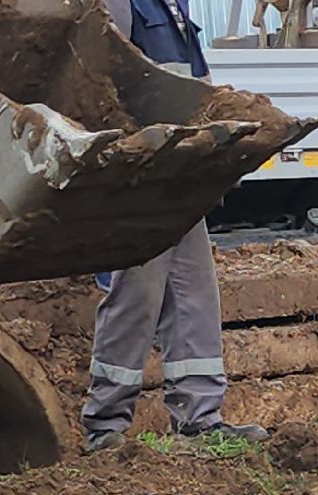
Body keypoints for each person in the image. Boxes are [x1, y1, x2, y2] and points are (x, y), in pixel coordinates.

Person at [83, 0, 269, 453]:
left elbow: (195, 87)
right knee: (137, 293)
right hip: (142, 174)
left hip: (181, 172)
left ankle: (199, 417)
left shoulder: (175, 7)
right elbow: (101, 79)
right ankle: (106, 425)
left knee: (195, 290)